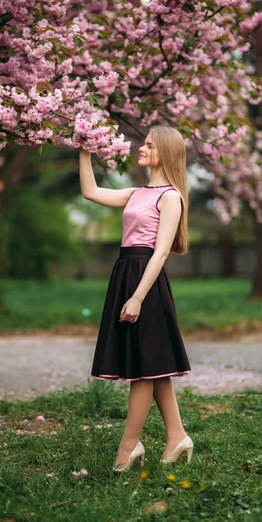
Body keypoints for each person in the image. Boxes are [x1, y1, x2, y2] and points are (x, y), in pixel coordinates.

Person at [79, 124, 193, 472]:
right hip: (125, 272)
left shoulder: (170, 197)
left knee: (143, 368)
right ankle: (176, 436)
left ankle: (128, 447)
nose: (139, 149)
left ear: (165, 153)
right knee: (153, 364)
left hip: (146, 281)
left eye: (147, 145)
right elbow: (90, 192)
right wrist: (84, 151)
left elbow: (160, 254)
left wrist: (138, 297)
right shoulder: (136, 192)